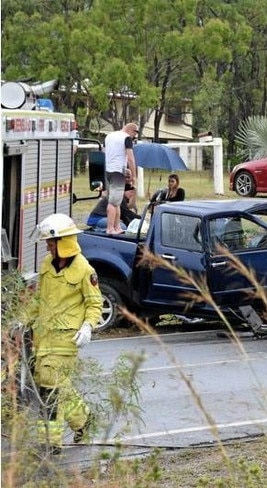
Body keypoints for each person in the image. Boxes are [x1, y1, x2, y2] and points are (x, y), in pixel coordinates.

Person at [23, 214, 102, 452]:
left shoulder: (84, 269)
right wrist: (23, 319)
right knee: (56, 385)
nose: (47, 246)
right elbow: (40, 299)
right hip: (43, 337)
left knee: (50, 386)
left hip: (67, 339)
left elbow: (94, 304)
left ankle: (51, 442)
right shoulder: (47, 264)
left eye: (50, 242)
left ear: (63, 243)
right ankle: (85, 421)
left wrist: (88, 326)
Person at [104, 123, 138, 234]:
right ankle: (110, 228)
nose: (134, 138)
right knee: (113, 202)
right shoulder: (126, 138)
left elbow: (108, 153)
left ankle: (117, 226)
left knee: (117, 201)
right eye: (135, 134)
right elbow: (131, 158)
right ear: (132, 131)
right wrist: (133, 175)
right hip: (118, 172)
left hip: (108, 170)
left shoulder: (109, 136)